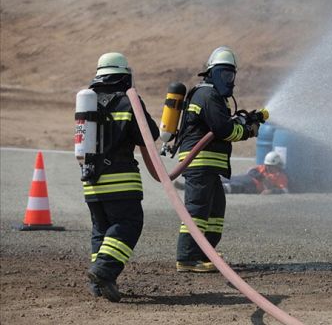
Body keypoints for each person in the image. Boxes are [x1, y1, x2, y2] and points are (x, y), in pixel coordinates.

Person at [83, 52, 160, 302]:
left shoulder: (87, 101)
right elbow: (149, 134)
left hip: (91, 181)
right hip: (121, 181)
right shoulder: (128, 101)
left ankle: (99, 284)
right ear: (124, 76)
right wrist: (136, 101)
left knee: (101, 231)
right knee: (128, 224)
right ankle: (104, 271)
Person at [175, 46, 259, 272]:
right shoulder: (207, 94)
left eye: (231, 75)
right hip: (199, 162)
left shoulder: (213, 97)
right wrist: (248, 131)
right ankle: (187, 257)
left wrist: (243, 122)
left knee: (215, 211)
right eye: (224, 74)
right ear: (212, 73)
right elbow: (223, 130)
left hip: (209, 165)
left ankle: (205, 252)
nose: (229, 80)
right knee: (197, 210)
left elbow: (224, 125)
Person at [222, 151, 289, 194]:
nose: (268, 168)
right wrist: (262, 178)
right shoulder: (264, 168)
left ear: (277, 165)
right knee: (232, 179)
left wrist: (271, 191)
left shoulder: (281, 176)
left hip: (254, 186)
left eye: (271, 166)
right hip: (248, 178)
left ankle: (222, 188)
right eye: (267, 166)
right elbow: (252, 171)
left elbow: (284, 190)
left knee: (238, 186)